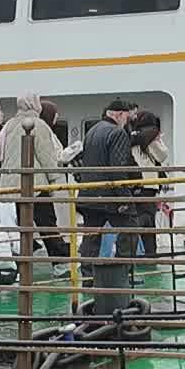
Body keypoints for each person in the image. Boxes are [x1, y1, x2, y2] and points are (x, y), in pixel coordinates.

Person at [77, 100, 143, 284]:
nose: (127, 121)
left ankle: (88, 277)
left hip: (89, 194)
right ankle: (122, 274)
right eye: (126, 117)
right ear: (119, 114)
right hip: (109, 195)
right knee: (130, 229)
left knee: (91, 237)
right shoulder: (117, 133)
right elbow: (118, 167)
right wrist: (124, 198)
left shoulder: (92, 131)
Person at [0, 94, 70, 260]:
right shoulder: (39, 124)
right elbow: (46, 156)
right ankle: (60, 262)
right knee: (47, 224)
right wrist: (56, 181)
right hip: (35, 184)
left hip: (10, 185)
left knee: (21, 227)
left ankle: (22, 262)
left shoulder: (9, 125)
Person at [129, 109, 168, 258]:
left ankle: (132, 254)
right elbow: (162, 155)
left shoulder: (132, 136)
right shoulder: (149, 137)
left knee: (137, 220)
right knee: (148, 222)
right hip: (148, 184)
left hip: (135, 184)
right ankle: (150, 255)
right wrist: (159, 140)